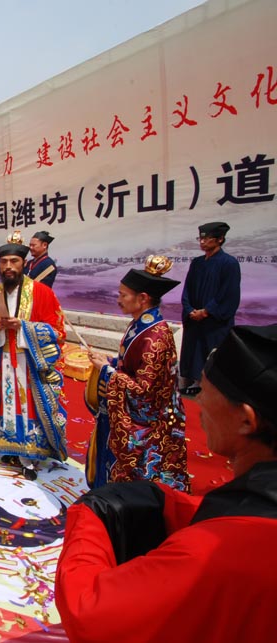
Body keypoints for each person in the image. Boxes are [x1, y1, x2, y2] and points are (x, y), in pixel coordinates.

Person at [56, 324, 277, 643]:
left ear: (246, 420)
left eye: (202, 390)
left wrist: (90, 518)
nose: (197, 402)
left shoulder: (211, 556)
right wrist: (175, 507)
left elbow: (89, 612)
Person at [86, 256, 189, 491]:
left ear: (142, 298)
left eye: (123, 295)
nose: (119, 299)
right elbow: (132, 366)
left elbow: (143, 391)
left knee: (140, 481)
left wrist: (106, 371)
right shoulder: (141, 324)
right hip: (142, 413)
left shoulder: (155, 337)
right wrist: (110, 362)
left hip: (148, 424)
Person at [0, 240, 67, 480]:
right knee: (5, 406)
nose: (8, 267)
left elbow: (57, 331)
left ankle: (30, 457)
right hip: (1, 362)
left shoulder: (43, 293)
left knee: (28, 408)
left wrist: (23, 327)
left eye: (14, 261)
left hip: (29, 363)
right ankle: (9, 448)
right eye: (4, 262)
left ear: (24, 263)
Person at [179, 221, 241, 396]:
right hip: (194, 317)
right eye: (200, 239)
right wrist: (189, 308)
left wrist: (206, 311)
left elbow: (228, 293)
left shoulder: (229, 263)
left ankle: (209, 385)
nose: (202, 243)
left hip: (213, 319)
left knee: (211, 351)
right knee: (192, 349)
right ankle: (191, 380)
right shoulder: (197, 263)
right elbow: (187, 289)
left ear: (220, 239)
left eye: (207, 239)